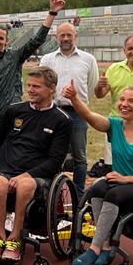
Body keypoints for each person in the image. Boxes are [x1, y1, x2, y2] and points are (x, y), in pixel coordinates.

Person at [64, 82, 133, 265]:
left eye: (131, 101)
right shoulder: (114, 125)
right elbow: (88, 116)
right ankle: (104, 244)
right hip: (120, 181)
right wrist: (74, 99)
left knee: (113, 194)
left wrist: (126, 179)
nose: (124, 104)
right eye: (121, 99)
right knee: (96, 189)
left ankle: (94, 248)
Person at [0, 67, 72, 263]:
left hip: (38, 176)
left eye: (36, 86)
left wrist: (25, 176)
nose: (31, 90)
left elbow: (55, 162)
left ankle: (16, 237)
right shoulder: (14, 110)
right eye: (29, 85)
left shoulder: (62, 120)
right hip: (7, 170)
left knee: (25, 185)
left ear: (51, 88)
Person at [0, 0, 65, 169]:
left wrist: (52, 13)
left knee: (10, 156)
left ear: (6, 41)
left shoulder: (14, 57)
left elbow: (37, 40)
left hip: (10, 117)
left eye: (0, 39)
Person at [39, 22, 99, 191]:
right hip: (52, 112)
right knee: (48, 153)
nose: (65, 38)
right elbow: (41, 85)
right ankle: (49, 191)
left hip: (78, 113)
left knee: (80, 156)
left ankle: (79, 194)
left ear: (75, 36)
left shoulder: (88, 59)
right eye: (62, 35)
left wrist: (77, 101)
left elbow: (91, 86)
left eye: (69, 35)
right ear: (56, 37)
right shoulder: (47, 59)